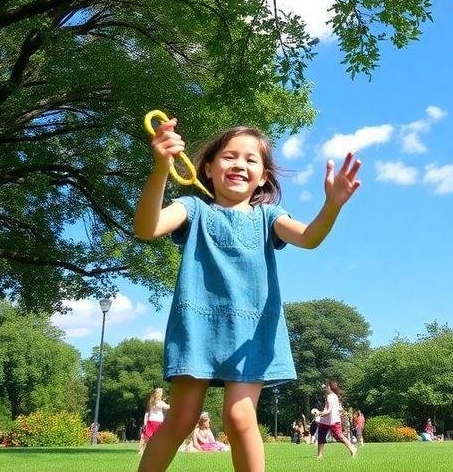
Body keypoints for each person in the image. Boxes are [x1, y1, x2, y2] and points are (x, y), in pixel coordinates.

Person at [134, 120, 362, 472]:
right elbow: (146, 228)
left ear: (264, 177)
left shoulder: (268, 216)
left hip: (252, 333)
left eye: (251, 160)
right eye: (229, 156)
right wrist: (161, 167)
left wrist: (332, 205)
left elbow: (309, 237)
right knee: (182, 417)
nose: (240, 164)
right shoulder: (192, 209)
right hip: (197, 327)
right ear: (207, 168)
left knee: (240, 417)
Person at [315, 380, 357, 459]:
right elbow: (328, 409)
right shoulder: (333, 396)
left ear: (330, 387)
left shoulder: (330, 397)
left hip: (332, 421)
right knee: (321, 436)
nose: (325, 388)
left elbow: (329, 411)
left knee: (339, 436)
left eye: (326, 386)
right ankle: (319, 455)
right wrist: (321, 413)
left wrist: (319, 413)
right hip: (326, 420)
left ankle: (352, 448)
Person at [139, 387, 170, 453]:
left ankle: (142, 450)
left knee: (147, 437)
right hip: (157, 422)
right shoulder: (159, 403)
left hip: (151, 421)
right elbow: (168, 407)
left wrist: (145, 423)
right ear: (158, 394)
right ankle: (158, 450)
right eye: (161, 392)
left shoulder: (151, 402)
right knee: (159, 437)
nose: (162, 393)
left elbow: (147, 413)